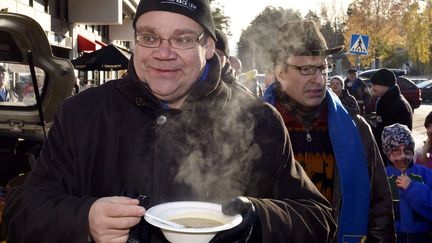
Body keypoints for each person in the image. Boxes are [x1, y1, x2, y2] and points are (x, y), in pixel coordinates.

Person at [3, 1, 337, 243]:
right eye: (149, 37)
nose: (163, 53)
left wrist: (259, 222)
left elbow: (319, 219)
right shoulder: (82, 114)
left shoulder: (259, 121)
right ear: (135, 42)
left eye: (181, 39)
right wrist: (84, 220)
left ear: (207, 46)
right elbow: (21, 212)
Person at [263, 20, 395, 242]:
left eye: (323, 67)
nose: (319, 78)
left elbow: (379, 210)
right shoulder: (255, 129)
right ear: (280, 72)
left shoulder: (357, 129)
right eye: (306, 69)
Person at [382, 123, 432, 243]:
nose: (403, 156)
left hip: (423, 236)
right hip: (392, 236)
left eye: (407, 150)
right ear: (387, 153)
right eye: (396, 151)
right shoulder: (382, 177)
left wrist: (412, 188)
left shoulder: (425, 174)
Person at [370, 68, 413, 165]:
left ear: (384, 84)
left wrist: (369, 127)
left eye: (374, 84)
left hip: (394, 159)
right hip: (389, 155)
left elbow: (392, 137)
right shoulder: (386, 101)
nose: (372, 88)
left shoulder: (397, 104)